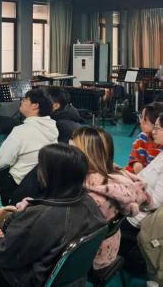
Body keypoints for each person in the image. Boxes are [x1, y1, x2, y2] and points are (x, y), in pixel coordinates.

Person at [0, 143, 107, 287]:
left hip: (27, 280)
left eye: (41, 166)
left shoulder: (41, 217)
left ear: (53, 175)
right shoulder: (89, 203)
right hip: (69, 280)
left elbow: (5, 255)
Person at [70, 126, 151, 270]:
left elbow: (68, 230)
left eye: (72, 148)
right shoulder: (115, 177)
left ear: (87, 155)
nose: (67, 152)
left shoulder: (92, 195)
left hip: (89, 254)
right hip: (109, 245)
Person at [0, 88, 58, 204]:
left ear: (35, 105)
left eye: (25, 99)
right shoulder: (52, 128)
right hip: (41, 183)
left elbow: (2, 163)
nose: (21, 101)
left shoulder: (20, 131)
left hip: (18, 183)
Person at [120, 113, 163, 268]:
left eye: (157, 128)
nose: (153, 131)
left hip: (137, 216)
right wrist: (122, 175)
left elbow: (154, 202)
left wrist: (128, 195)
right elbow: (144, 178)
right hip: (136, 205)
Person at [125, 103, 163, 174]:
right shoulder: (142, 137)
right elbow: (135, 161)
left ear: (156, 121)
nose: (140, 121)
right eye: (141, 117)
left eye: (144, 119)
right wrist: (136, 164)